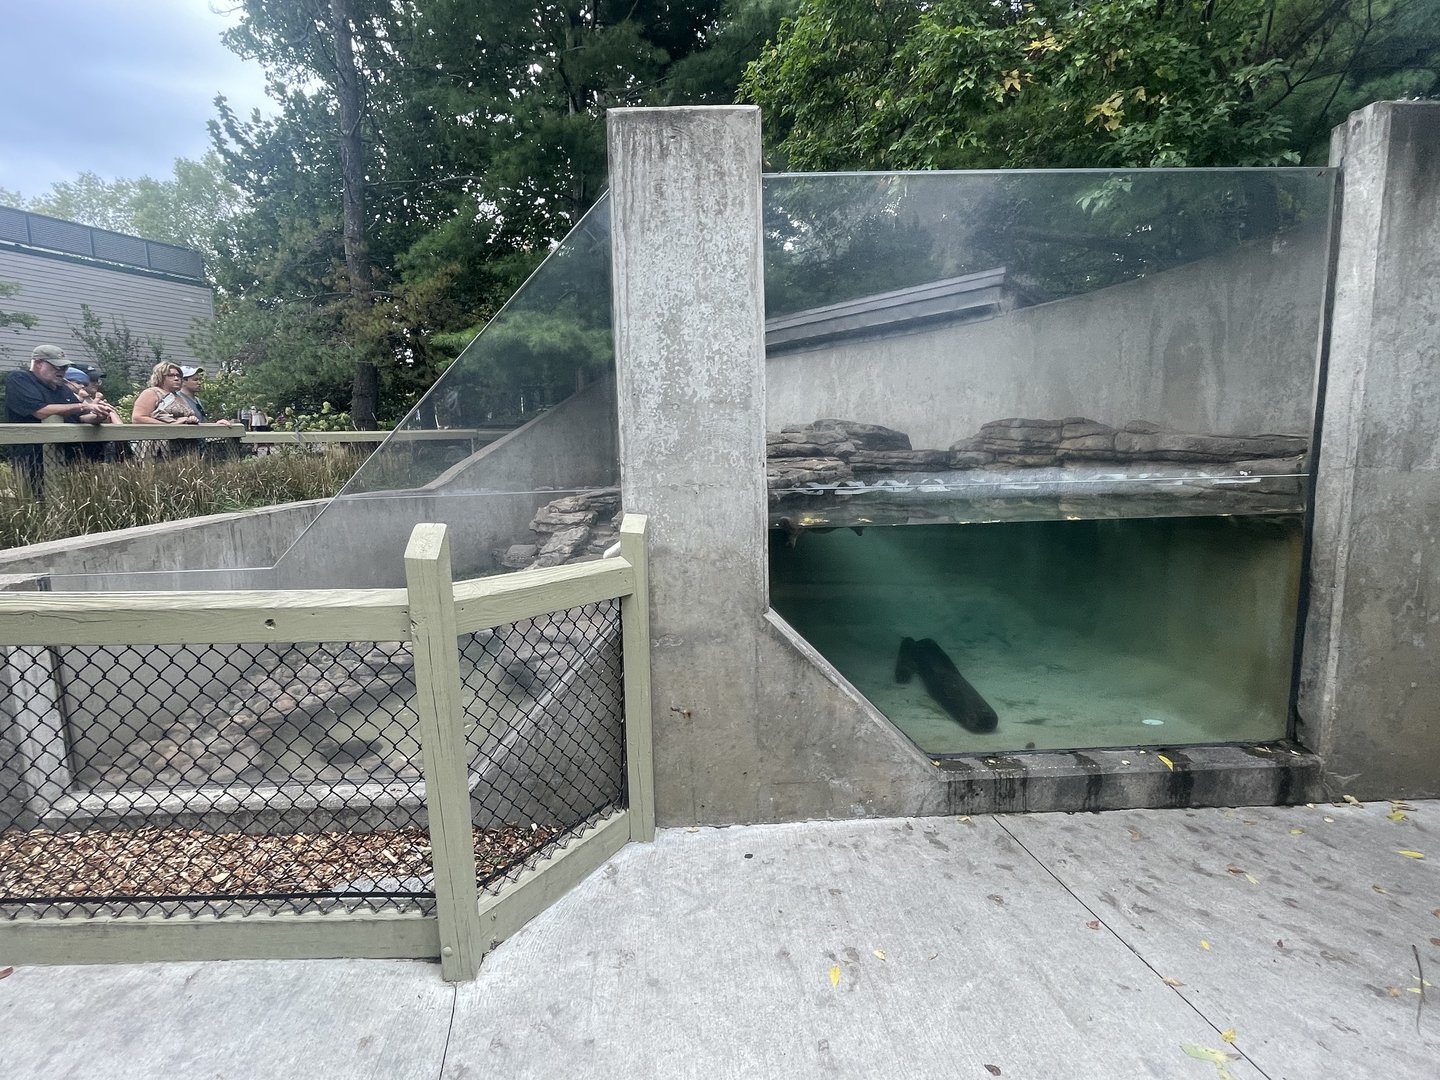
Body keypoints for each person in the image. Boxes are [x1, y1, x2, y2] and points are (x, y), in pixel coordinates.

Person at [4, 344, 118, 496]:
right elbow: (40, 411)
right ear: (38, 363)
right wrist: (82, 406)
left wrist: (99, 415)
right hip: (33, 458)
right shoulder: (20, 379)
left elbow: (80, 418)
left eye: (64, 367)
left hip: (70, 460)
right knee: (36, 499)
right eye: (57, 367)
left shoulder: (62, 389)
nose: (62, 371)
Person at [130, 360, 200, 457]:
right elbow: (137, 418)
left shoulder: (179, 397)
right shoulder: (151, 393)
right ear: (160, 377)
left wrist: (191, 419)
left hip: (184, 447)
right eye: (170, 375)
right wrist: (171, 426)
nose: (176, 378)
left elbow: (185, 417)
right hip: (157, 448)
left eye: (178, 376)